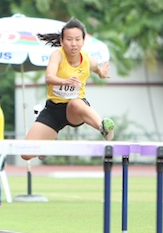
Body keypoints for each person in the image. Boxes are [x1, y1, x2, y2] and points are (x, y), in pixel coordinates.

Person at [21, 18, 114, 161]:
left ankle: (103, 128)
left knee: (75, 103)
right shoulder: (57, 55)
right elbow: (49, 77)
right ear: (62, 41)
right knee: (25, 154)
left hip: (75, 110)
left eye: (77, 39)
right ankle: (46, 146)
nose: (73, 44)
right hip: (53, 110)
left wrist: (102, 73)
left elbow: (98, 70)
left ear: (83, 41)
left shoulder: (89, 60)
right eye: (69, 39)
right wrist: (64, 81)